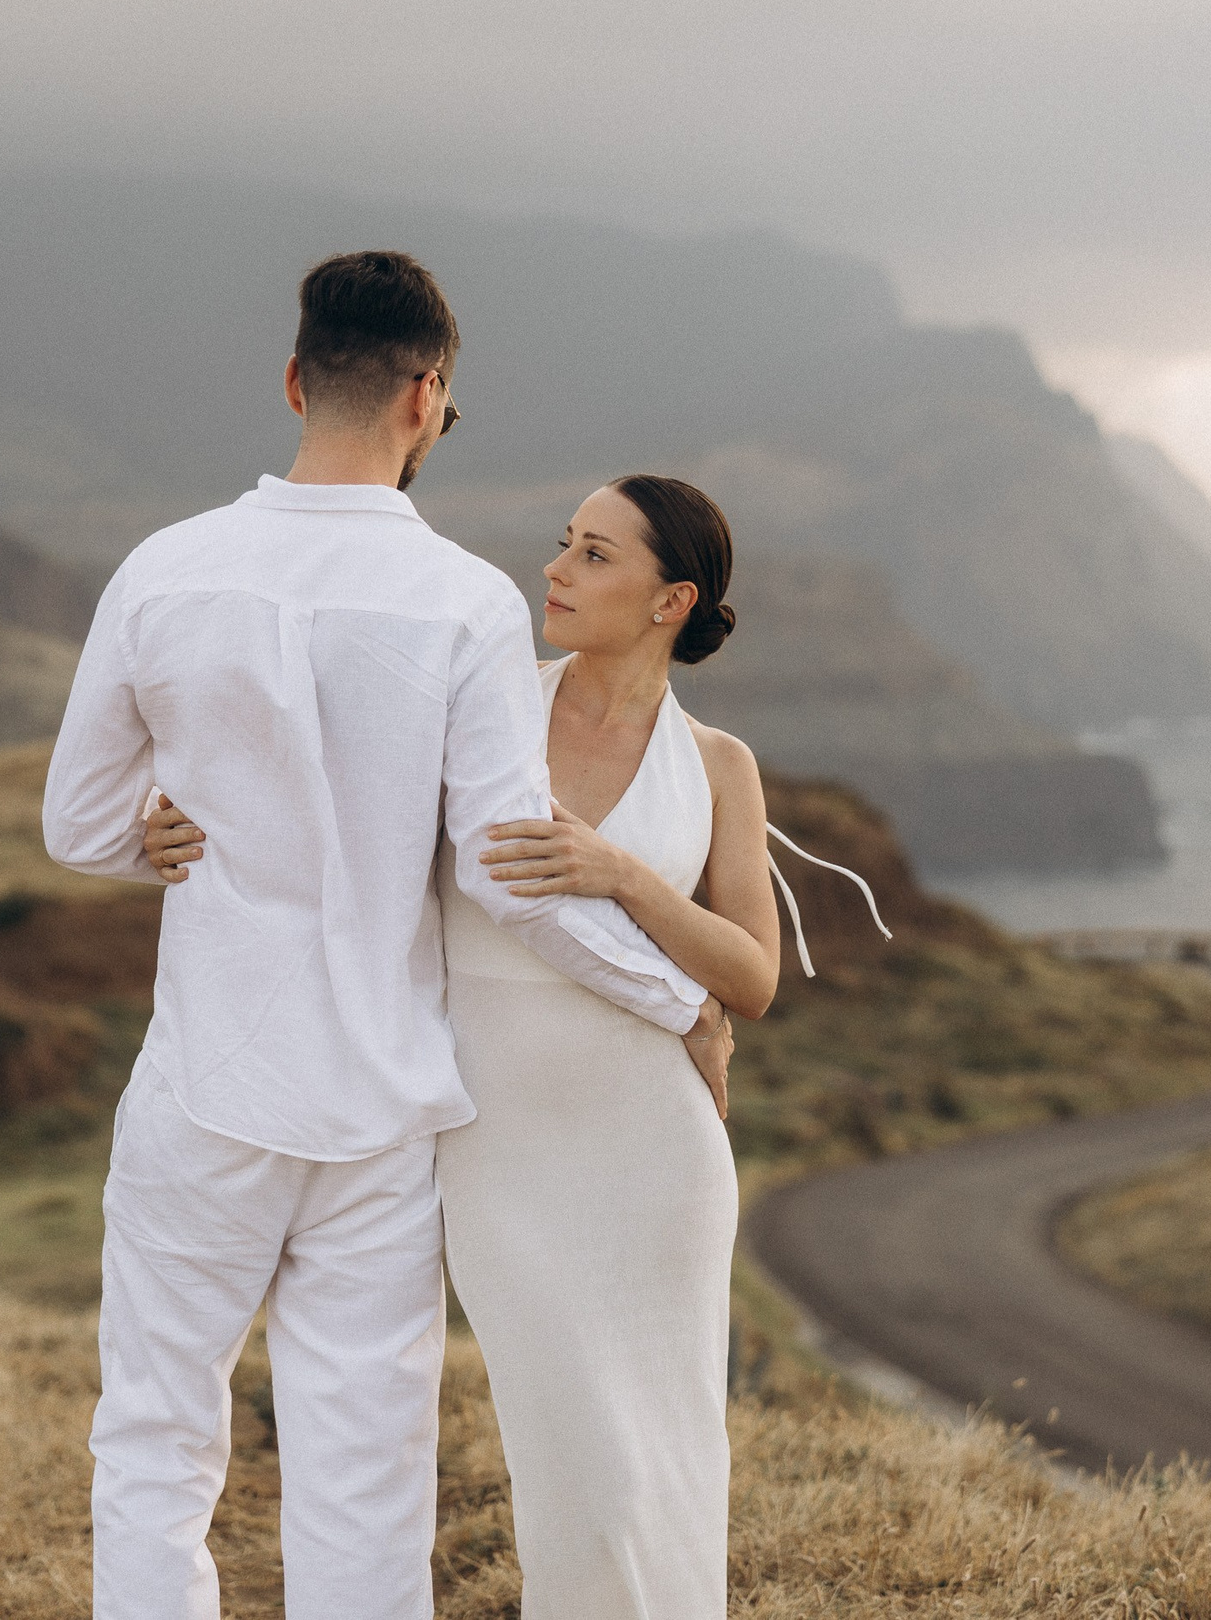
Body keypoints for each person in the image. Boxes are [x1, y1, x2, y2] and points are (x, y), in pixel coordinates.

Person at [40, 251, 731, 1620]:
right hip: (380, 1106)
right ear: (427, 396)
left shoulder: (163, 568)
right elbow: (512, 870)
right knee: (366, 1474)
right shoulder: (467, 601)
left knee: (156, 1443)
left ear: (297, 379)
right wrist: (677, 1002)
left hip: (205, 1083)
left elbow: (75, 820)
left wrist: (151, 835)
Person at [152, 472, 778, 1620]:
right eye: (564, 544)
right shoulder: (481, 709)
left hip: (657, 1150)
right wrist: (172, 809)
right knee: (567, 1460)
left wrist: (625, 875)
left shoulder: (721, 765)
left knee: (665, 1449)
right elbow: (313, 801)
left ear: (669, 599)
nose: (556, 569)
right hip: (495, 1139)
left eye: (595, 555)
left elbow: (752, 974)